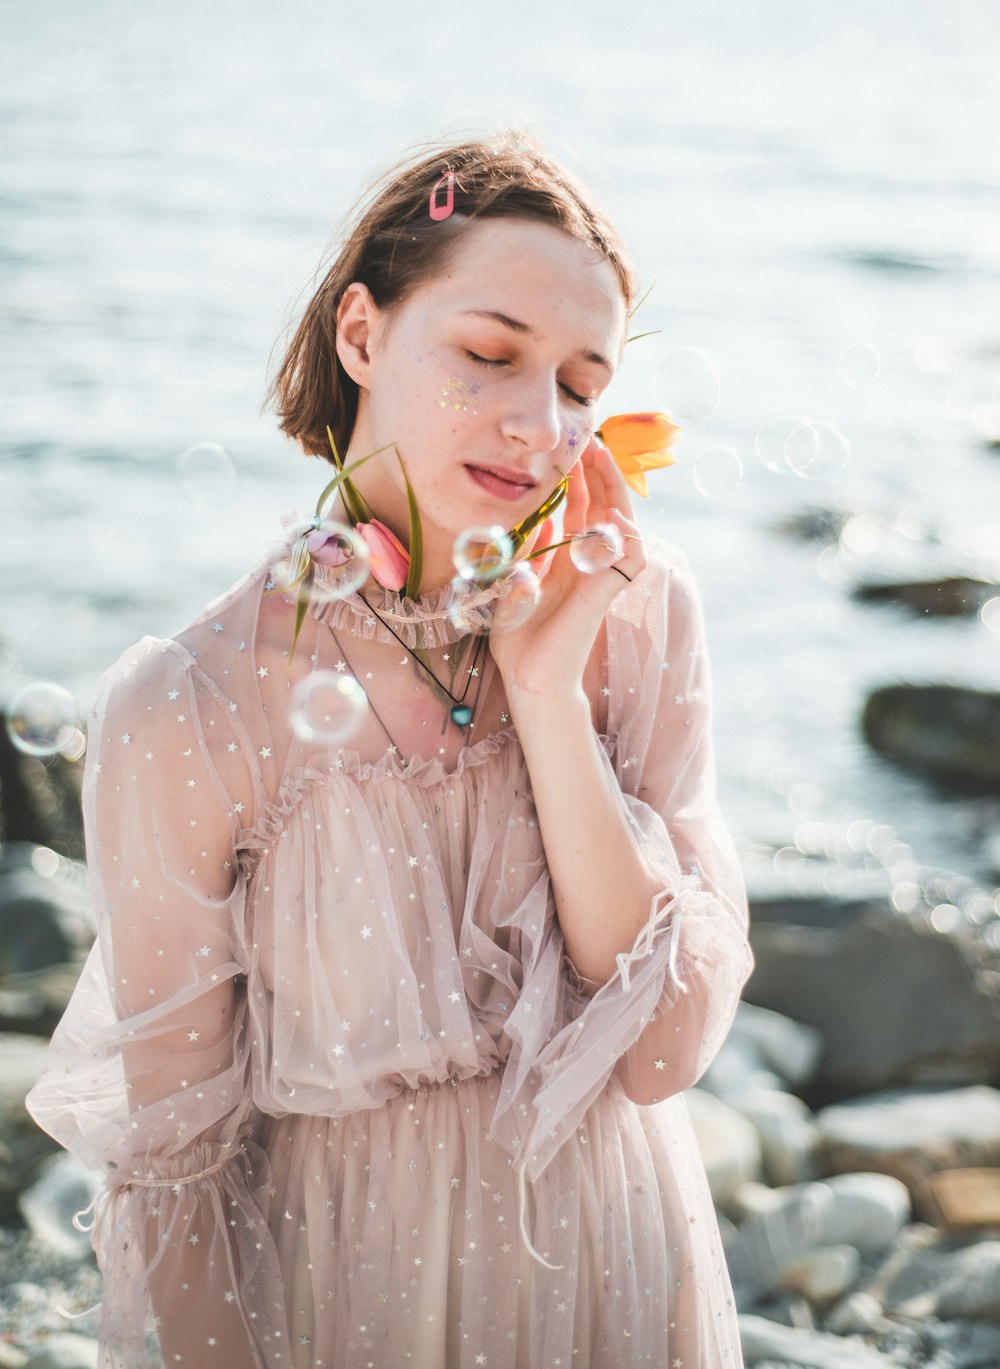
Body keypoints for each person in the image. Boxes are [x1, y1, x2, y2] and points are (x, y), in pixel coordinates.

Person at [26, 130, 752, 1368]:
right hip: (343, 1304)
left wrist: (545, 692)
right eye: (488, 354)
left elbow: (662, 1048)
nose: (541, 425)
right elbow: (179, 1175)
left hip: (621, 1286)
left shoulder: (633, 610)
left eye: (583, 384)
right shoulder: (191, 704)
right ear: (360, 336)